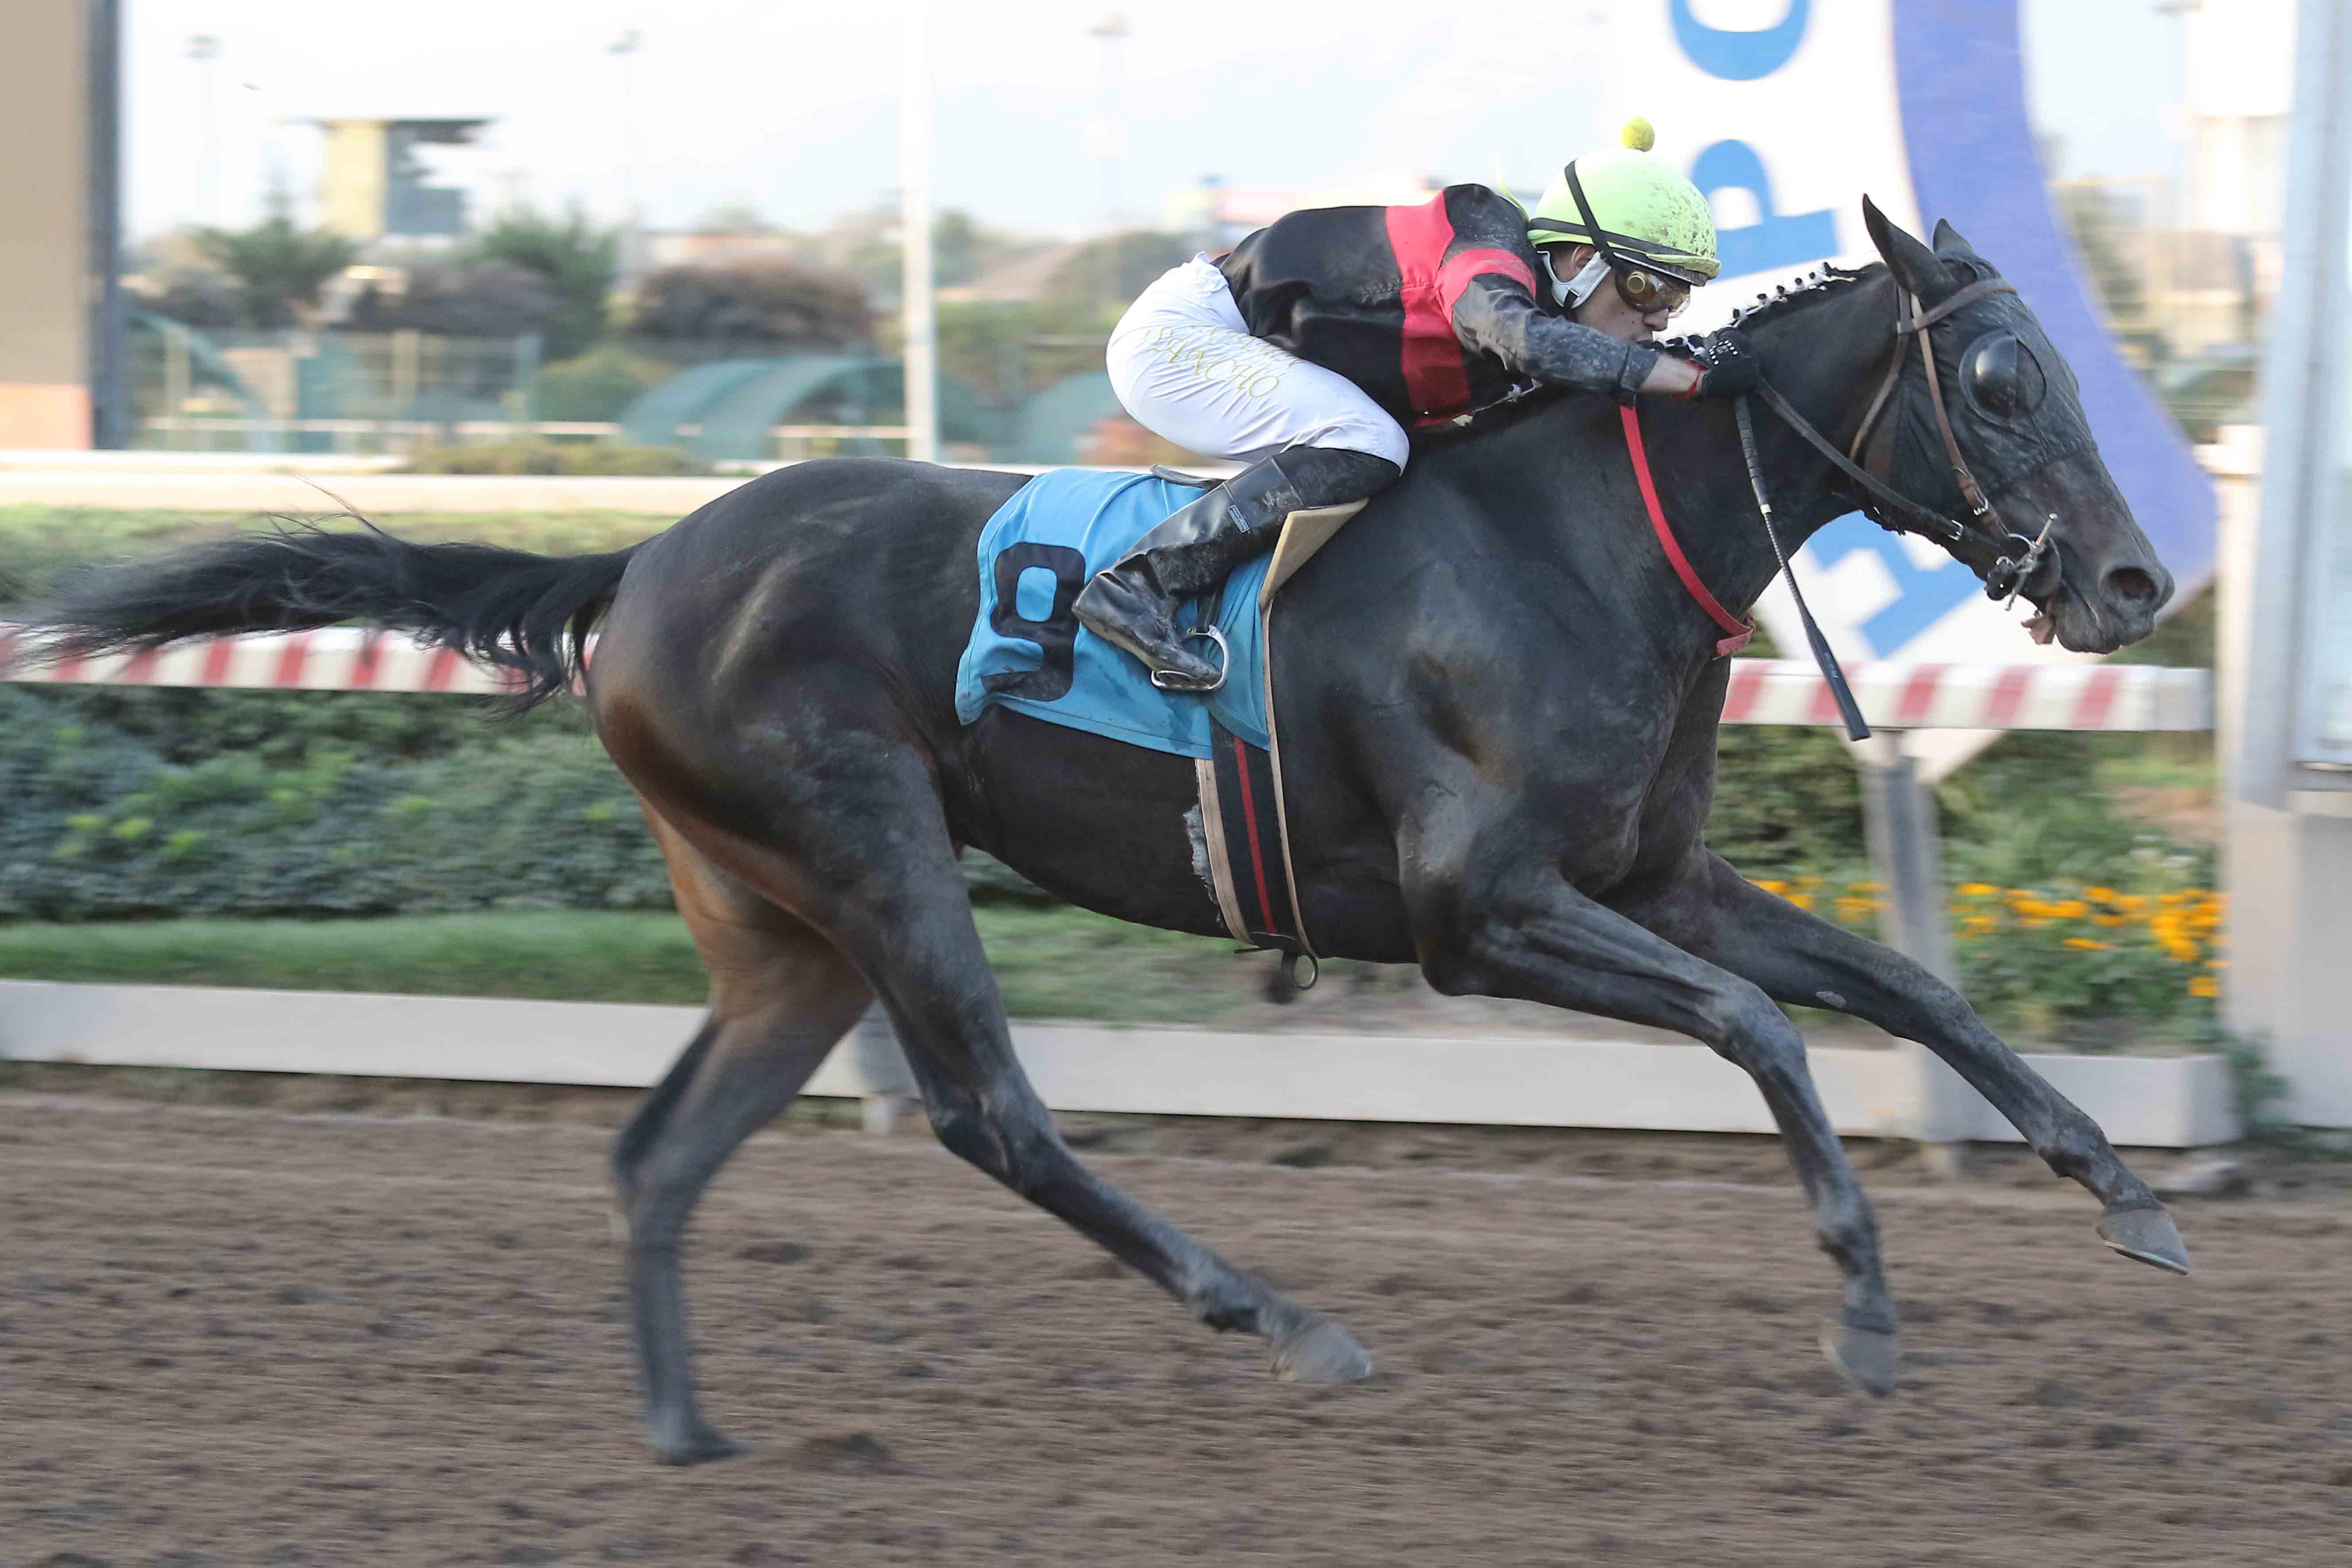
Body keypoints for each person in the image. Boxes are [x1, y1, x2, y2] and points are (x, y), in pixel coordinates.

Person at [1075, 117, 1762, 692]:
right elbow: (1519, 337)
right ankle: (1138, 585)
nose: (1661, 318)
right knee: (1372, 442)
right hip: (1181, 342)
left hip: (1243, 346)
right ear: (1583, 262)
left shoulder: (1551, 309)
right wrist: (1684, 379)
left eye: (1679, 299)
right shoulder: (1488, 242)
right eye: (1650, 288)